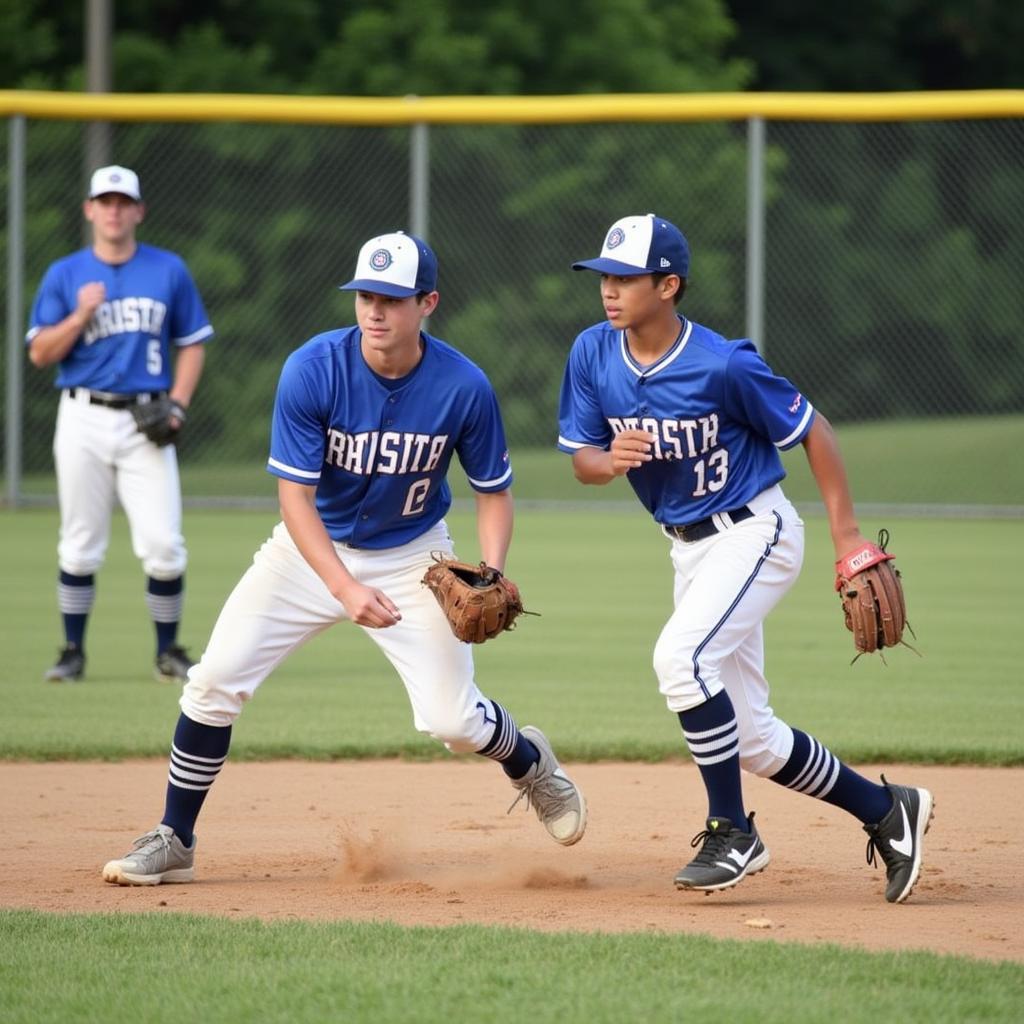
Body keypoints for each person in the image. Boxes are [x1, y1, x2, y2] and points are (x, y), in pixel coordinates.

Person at [101, 230, 586, 886]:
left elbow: (493, 493)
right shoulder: (313, 368)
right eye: (364, 295)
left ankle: (530, 764)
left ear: (428, 303)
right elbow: (294, 500)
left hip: (415, 554)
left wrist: (491, 570)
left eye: (391, 297)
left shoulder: (462, 386)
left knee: (452, 720)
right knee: (214, 682)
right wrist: (342, 587)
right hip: (309, 552)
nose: (374, 311)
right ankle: (174, 837)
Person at [557, 213, 932, 903]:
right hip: (688, 551)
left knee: (680, 661)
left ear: (668, 285)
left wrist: (847, 536)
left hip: (755, 532)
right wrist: (607, 462)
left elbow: (812, 429)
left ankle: (732, 830)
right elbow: (580, 456)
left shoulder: (723, 363)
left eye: (625, 278)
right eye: (603, 277)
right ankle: (888, 812)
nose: (608, 290)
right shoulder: (592, 353)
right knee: (752, 737)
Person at [27, 164, 213, 685]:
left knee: (162, 544)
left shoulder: (168, 270)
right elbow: (41, 353)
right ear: (89, 209)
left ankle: (168, 652)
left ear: (138, 211)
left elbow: (193, 340)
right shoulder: (65, 274)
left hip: (144, 419)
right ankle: (72, 653)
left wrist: (178, 402)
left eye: (122, 201)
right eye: (103, 201)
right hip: (82, 415)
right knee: (80, 542)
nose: (113, 210)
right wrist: (78, 317)